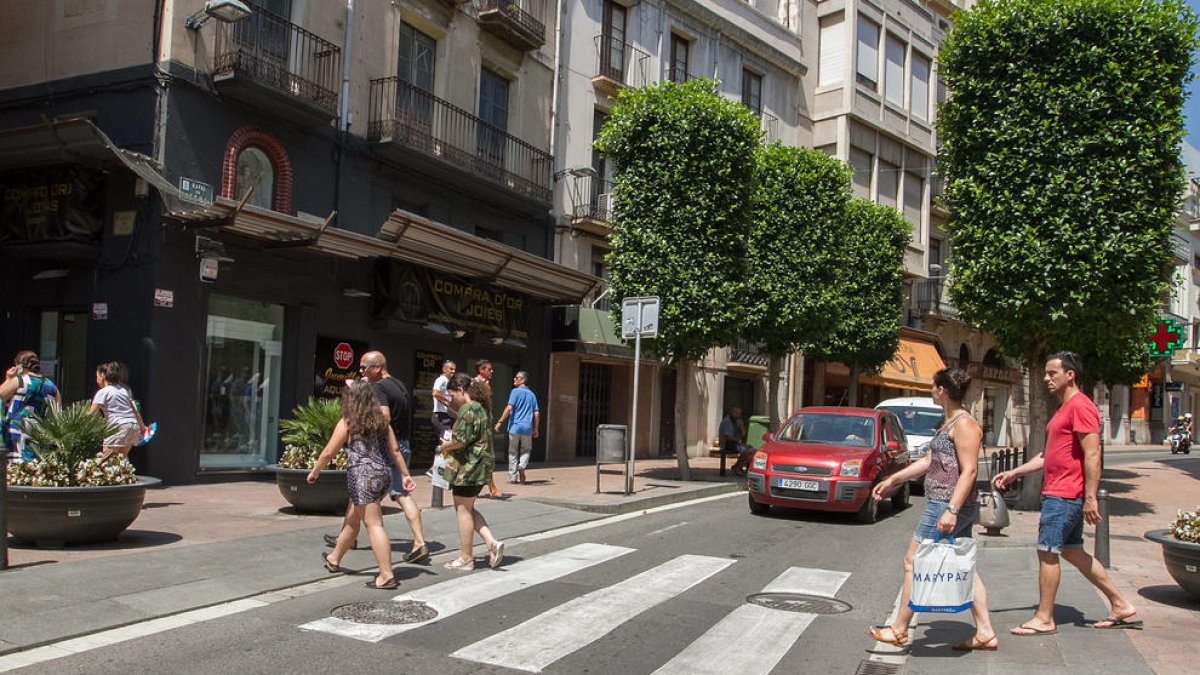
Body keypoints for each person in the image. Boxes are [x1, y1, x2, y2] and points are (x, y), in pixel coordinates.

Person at [993, 351, 1139, 634]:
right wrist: (1015, 472)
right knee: (1072, 551)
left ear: (1070, 375)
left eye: (1052, 373)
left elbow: (1093, 453)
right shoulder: (1062, 408)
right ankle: (1120, 604)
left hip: (1064, 494)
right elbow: (1049, 455)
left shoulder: (1081, 407)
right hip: (1058, 491)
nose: (1046, 378)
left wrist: (1091, 497)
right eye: (1046, 373)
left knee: (1047, 551)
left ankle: (1045, 617)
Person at [866, 367, 997, 651]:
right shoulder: (948, 421)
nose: (930, 390)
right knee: (965, 565)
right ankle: (985, 631)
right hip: (947, 503)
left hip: (946, 504)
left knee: (913, 561)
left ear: (943, 391)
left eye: (933, 386)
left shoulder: (964, 424)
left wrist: (951, 509)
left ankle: (899, 629)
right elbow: (929, 461)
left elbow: (970, 471)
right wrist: (894, 479)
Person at [308, 382, 416, 590]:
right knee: (352, 520)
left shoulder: (349, 421)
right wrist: (405, 474)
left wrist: (315, 472)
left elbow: (328, 452)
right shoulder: (383, 421)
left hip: (362, 477)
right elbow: (394, 450)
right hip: (383, 475)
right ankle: (334, 558)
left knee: (374, 525)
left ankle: (386, 574)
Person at [439, 372, 504, 571]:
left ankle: (466, 558)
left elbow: (460, 441)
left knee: (463, 510)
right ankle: (492, 543)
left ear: (461, 390)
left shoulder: (468, 409)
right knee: (468, 508)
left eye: (452, 394)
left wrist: (445, 445)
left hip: (468, 469)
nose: (452, 399)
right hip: (478, 468)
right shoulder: (480, 408)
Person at [1, 350, 62, 464]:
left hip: (17, 432)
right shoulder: (52, 387)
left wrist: (8, 379)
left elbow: (1, 396)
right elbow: (57, 415)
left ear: (18, 365)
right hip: (39, 433)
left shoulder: (20, 380)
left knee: (15, 470)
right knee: (34, 468)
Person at [87, 361, 149, 458]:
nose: (96, 380)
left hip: (118, 427)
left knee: (105, 461)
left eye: (97, 376)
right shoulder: (125, 390)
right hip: (132, 427)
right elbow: (135, 411)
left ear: (103, 375)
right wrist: (142, 427)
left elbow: (91, 415)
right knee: (120, 461)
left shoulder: (102, 392)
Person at [494, 371, 539, 484]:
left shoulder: (515, 392)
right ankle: (522, 466)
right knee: (526, 450)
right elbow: (536, 413)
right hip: (527, 428)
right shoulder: (532, 395)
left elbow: (509, 407)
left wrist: (500, 421)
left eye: (517, 378)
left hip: (514, 427)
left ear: (523, 380)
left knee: (512, 452)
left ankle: (513, 477)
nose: (514, 379)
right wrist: (535, 428)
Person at [473, 359, 502, 498]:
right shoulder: (475, 385)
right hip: (479, 426)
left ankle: (490, 486)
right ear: (481, 370)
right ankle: (491, 487)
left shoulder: (485, 384)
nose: (492, 371)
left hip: (486, 424)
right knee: (484, 455)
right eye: (489, 369)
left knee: (487, 456)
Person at [720, 406, 752, 476]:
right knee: (745, 450)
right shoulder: (727, 421)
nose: (738, 416)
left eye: (739, 414)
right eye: (736, 413)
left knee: (752, 450)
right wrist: (737, 440)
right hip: (727, 444)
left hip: (735, 443)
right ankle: (738, 467)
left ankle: (738, 466)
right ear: (732, 413)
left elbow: (743, 434)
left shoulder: (737, 421)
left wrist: (742, 426)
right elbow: (728, 437)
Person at [431, 359, 456, 441]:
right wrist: (448, 402)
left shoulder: (448, 381)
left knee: (448, 439)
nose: (453, 371)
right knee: (446, 440)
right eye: (451, 369)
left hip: (447, 416)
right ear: (444, 369)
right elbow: (435, 393)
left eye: (454, 369)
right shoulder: (441, 379)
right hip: (441, 416)